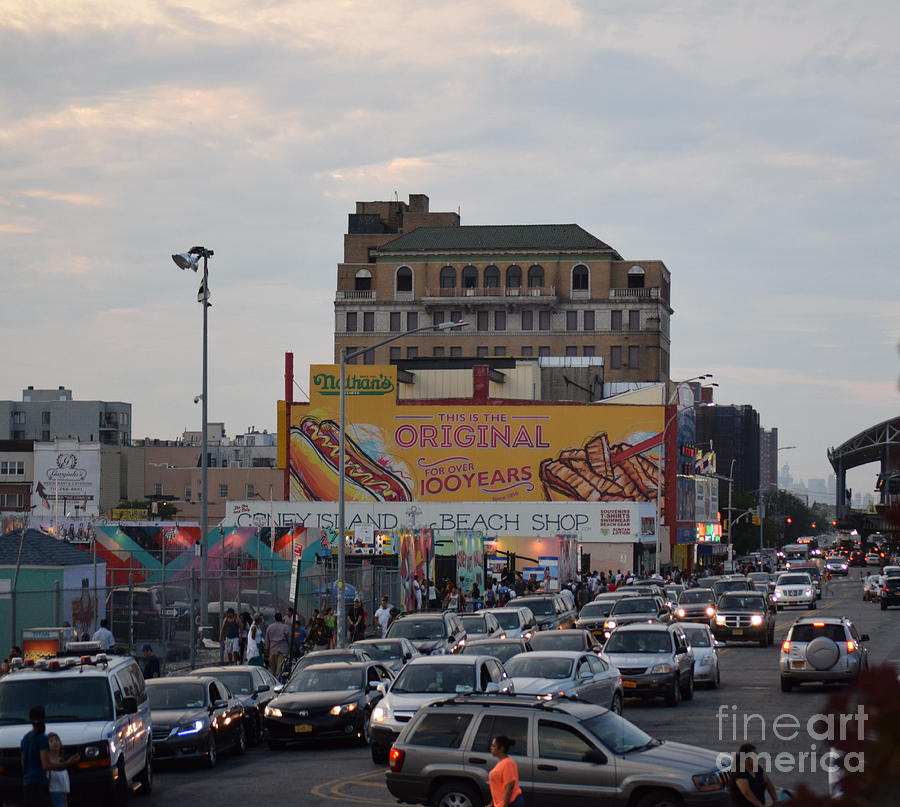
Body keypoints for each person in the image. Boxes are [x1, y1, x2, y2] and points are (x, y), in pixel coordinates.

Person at [21, 706, 79, 807]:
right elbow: (46, 765)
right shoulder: (42, 738)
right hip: (39, 785)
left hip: (27, 785)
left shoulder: (25, 739)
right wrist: (68, 763)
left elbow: (23, 763)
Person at [729, 743, 778, 807]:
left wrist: (776, 801)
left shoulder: (757, 768)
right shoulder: (739, 771)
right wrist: (760, 806)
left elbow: (769, 784)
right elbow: (746, 792)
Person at [487, 734, 523, 807]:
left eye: (494, 746)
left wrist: (505, 805)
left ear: (501, 748)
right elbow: (498, 787)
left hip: (512, 803)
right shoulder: (501, 763)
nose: (491, 748)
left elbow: (509, 788)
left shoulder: (508, 763)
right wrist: (492, 804)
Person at [47, 733, 72, 807]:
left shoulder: (62, 761)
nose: (55, 742)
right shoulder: (46, 762)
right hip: (51, 795)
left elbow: (64, 787)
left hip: (61, 796)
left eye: (57, 740)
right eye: (51, 741)